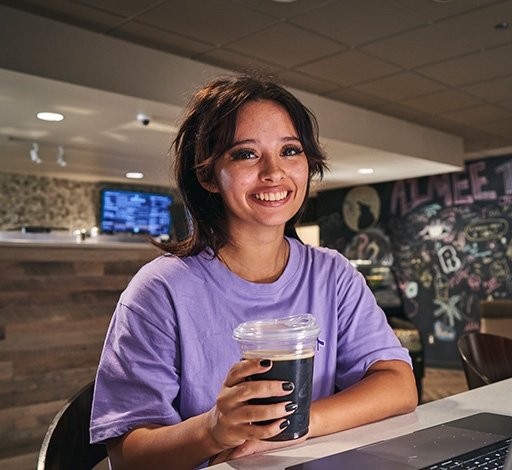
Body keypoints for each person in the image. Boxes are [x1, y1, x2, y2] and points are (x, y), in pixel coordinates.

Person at [90, 72, 418, 469]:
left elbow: (398, 385)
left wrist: (294, 426)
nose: (274, 172)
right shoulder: (160, 291)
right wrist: (212, 430)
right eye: (246, 153)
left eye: (290, 151)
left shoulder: (334, 275)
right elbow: (126, 455)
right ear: (208, 174)